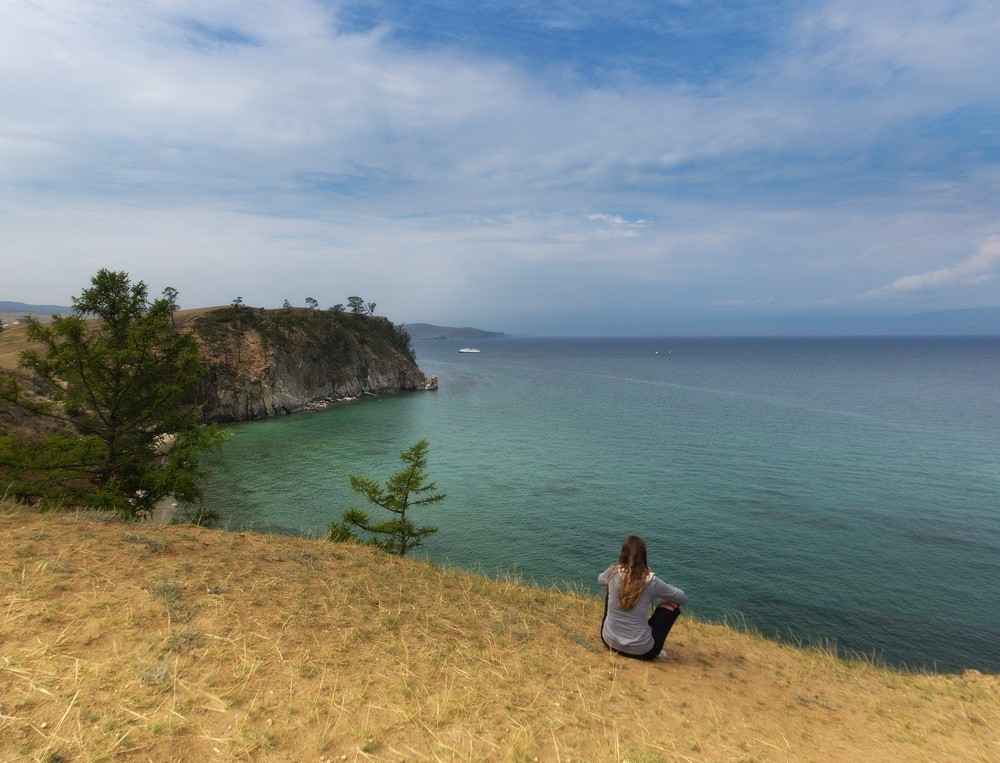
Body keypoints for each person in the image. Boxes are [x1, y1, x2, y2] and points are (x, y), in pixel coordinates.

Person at [599, 535, 688, 660]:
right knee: (671, 603)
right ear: (644, 556)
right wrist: (667, 588)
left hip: (609, 641)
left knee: (609, 586)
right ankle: (650, 645)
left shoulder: (612, 572)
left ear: (623, 554)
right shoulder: (651, 581)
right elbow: (683, 598)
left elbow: (600, 580)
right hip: (643, 652)